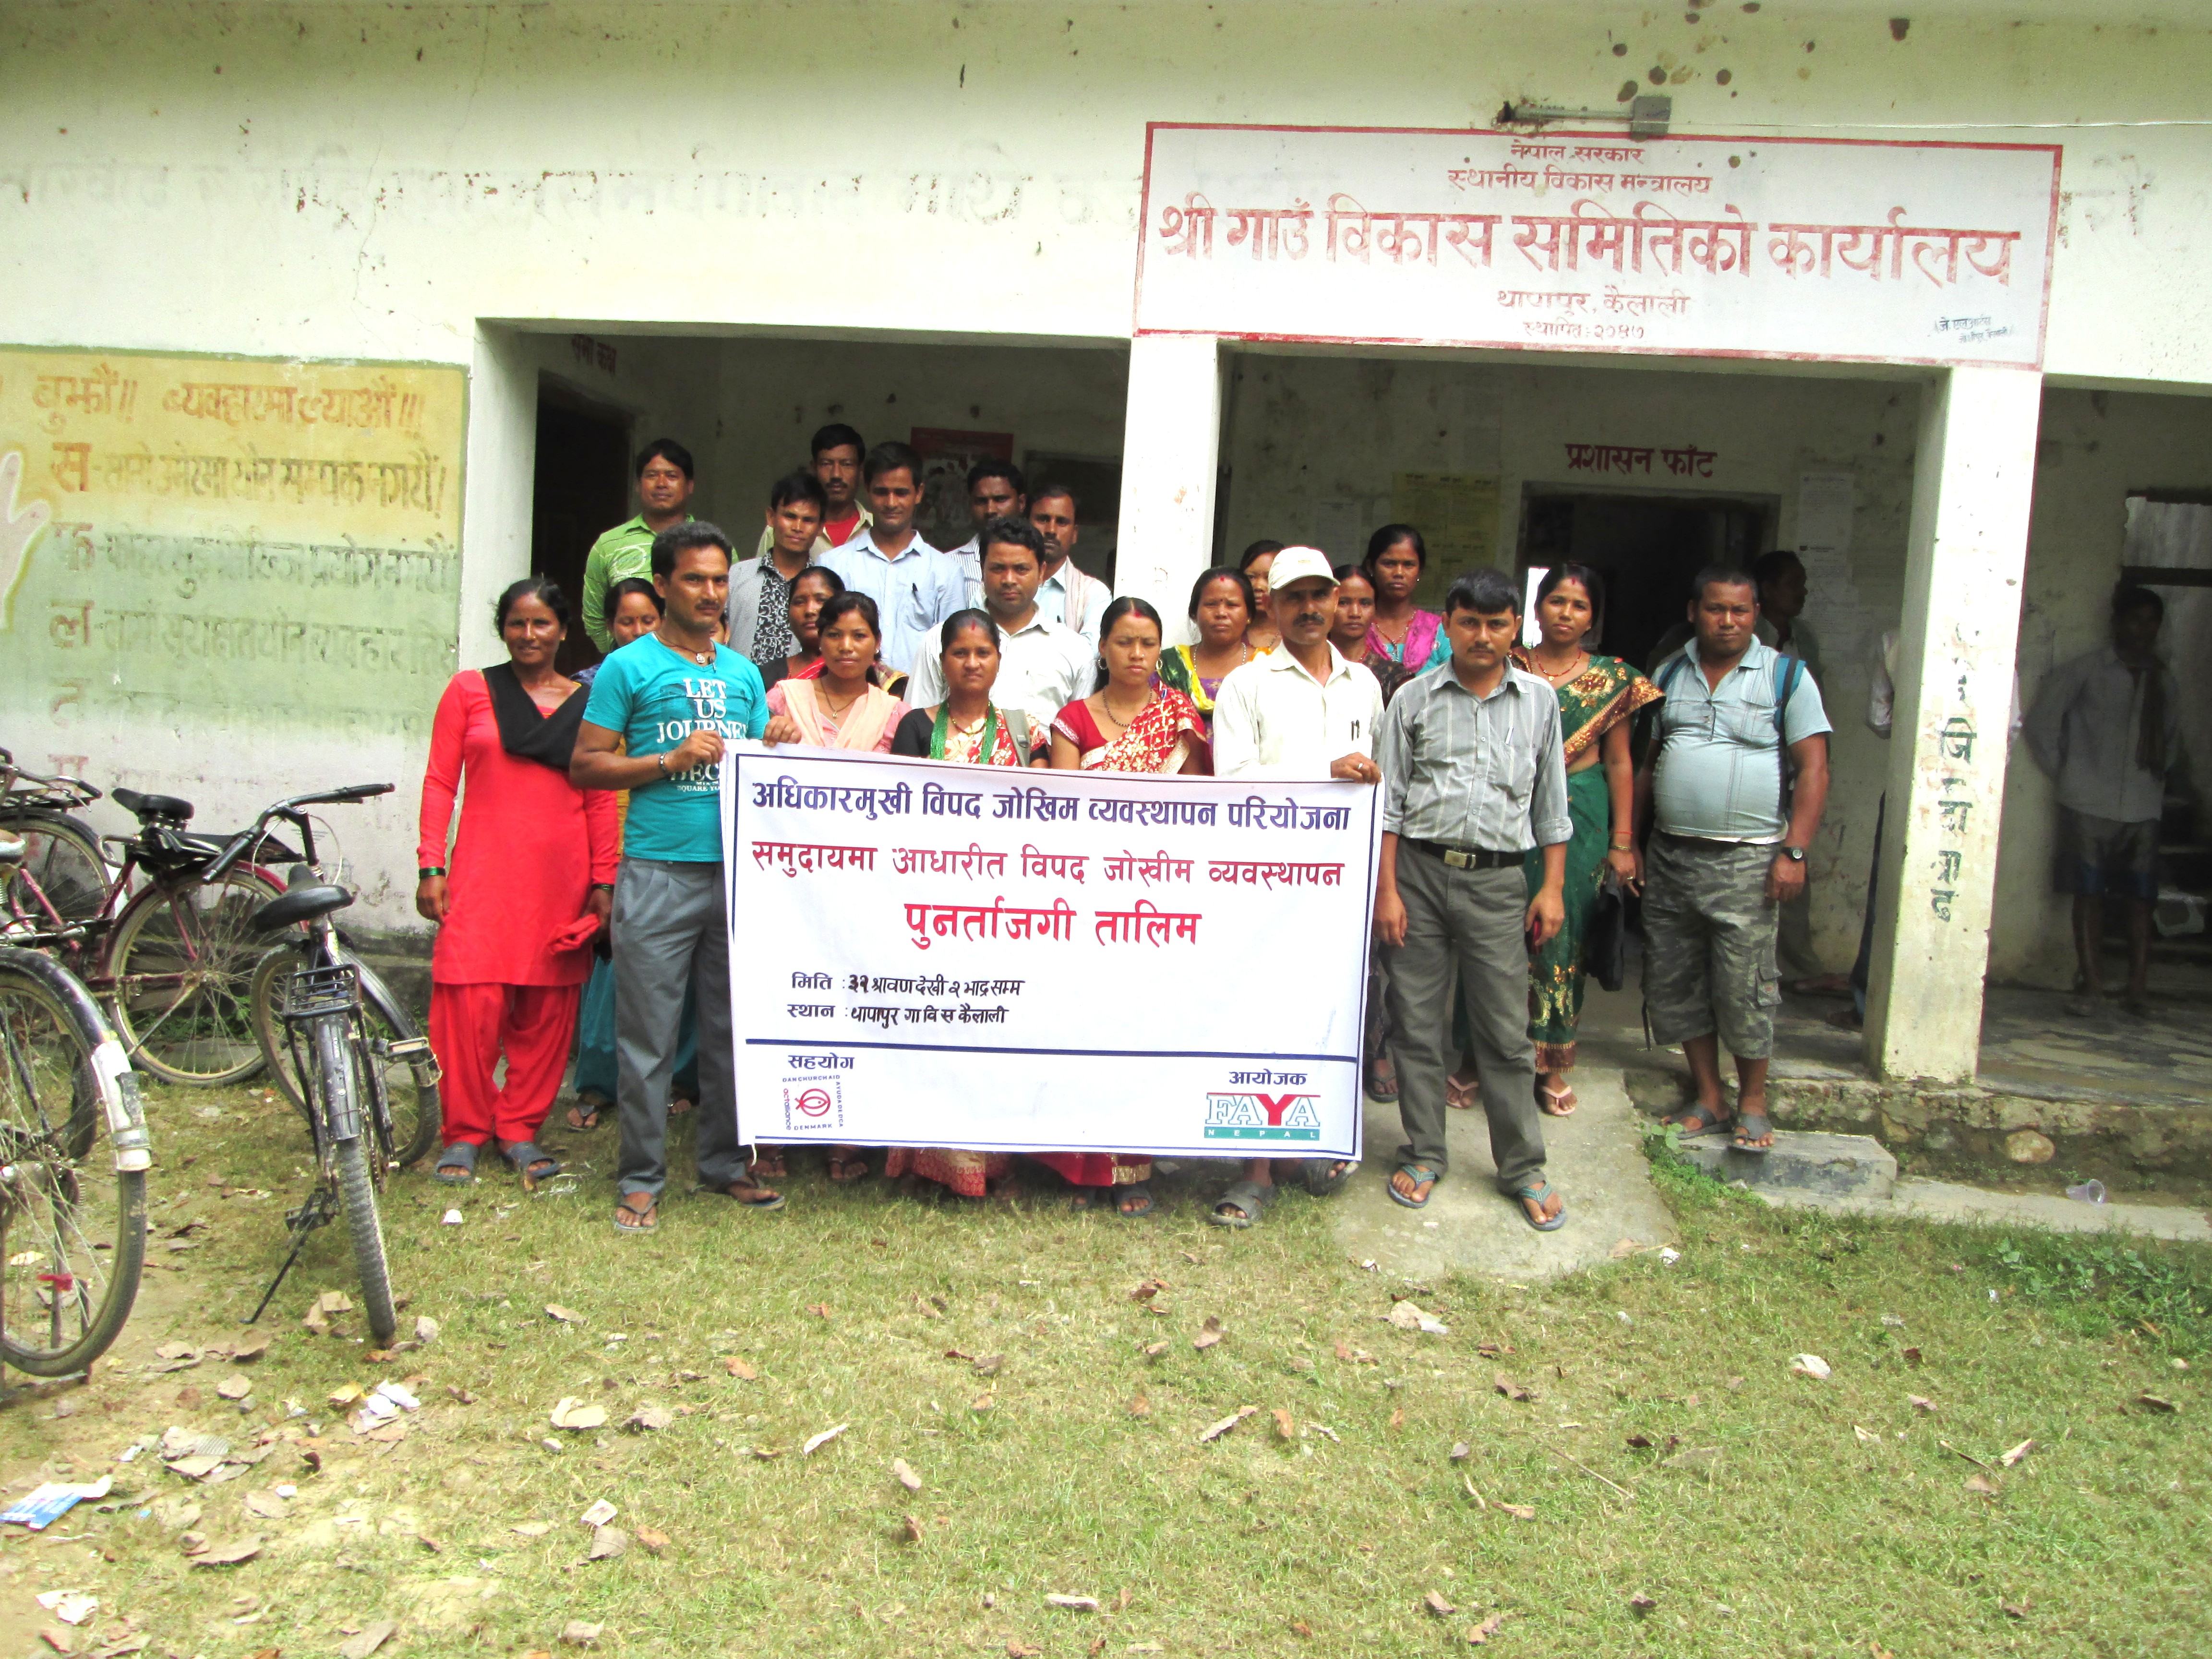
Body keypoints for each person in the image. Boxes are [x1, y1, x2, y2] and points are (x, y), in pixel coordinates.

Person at [573, 523, 783, 1233]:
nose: (711, 593)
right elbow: (587, 765)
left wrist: (777, 744)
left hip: (735, 877)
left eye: (721, 580)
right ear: (662, 585)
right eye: (695, 579)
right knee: (649, 1036)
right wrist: (667, 762)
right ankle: (640, 1178)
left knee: (731, 1032)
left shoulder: (745, 674)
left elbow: (756, 767)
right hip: (657, 872)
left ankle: (724, 1165)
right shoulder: (627, 668)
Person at [1373, 568, 1571, 1226]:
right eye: (1468, 623)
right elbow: (1391, 805)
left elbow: (1552, 805)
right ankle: (1425, 1151)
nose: (1482, 637)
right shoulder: (1415, 699)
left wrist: (1551, 887)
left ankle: (1522, 1168)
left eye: (1496, 625)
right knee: (1418, 1023)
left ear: (1516, 628)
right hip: (1420, 879)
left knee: (1505, 1033)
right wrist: (1388, 892)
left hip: (1498, 882)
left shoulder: (1540, 701)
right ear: (1449, 625)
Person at [418, 578, 617, 1186]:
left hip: (561, 880)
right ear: (502, 629)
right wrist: (432, 866)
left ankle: (520, 1130)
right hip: (482, 876)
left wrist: (604, 881)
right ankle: (464, 1133)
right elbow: (439, 783)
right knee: (469, 1007)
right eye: (516, 624)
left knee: (547, 1009)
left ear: (563, 630)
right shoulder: (471, 691)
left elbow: (601, 797)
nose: (529, 636)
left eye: (541, 625)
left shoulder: (590, 702)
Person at [1208, 547, 1381, 1226]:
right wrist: (1324, 769)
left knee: (1329, 1014)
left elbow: (1379, 780)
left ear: (1338, 602)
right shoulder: (1248, 685)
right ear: (1270, 608)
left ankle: (1310, 1144)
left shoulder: (1363, 683)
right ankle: (1254, 1169)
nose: (1310, 609)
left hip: (1341, 884)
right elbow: (1233, 781)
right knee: (1263, 1014)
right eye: (1294, 597)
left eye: (1321, 595)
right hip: (1268, 881)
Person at [1635, 565, 1833, 1157]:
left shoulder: (1786, 677)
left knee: (1744, 985)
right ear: (1695, 611)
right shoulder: (1668, 673)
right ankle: (1708, 1095)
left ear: (1756, 616)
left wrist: (1794, 851)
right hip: (1672, 854)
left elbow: (1814, 769)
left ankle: (1752, 1102)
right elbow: (1645, 763)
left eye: (1740, 611)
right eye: (1717, 609)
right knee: (1676, 978)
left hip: (1748, 860)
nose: (1728, 621)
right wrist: (1631, 843)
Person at [1041, 596, 1208, 1214]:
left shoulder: (1180, 718)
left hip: (1156, 895)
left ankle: (1132, 1169)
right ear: (1103, 648)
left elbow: (1196, 811)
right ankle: (1076, 1168)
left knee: (1140, 1026)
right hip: (1086, 894)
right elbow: (1064, 811)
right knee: (1080, 1025)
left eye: (1147, 644)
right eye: (1124, 643)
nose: (1137, 655)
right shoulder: (1074, 719)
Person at [878, 611, 1037, 1200]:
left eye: (983, 652)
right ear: (941, 661)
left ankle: (993, 1160)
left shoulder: (1026, 731)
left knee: (995, 1024)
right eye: (960, 653)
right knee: (937, 1020)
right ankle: (929, 1161)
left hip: (1004, 904)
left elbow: (1044, 811)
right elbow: (899, 806)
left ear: (1000, 659)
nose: (972, 663)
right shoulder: (916, 726)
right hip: (933, 901)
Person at [1511, 565, 1659, 1115]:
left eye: (1578, 605)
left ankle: (1550, 1064)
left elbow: (1622, 761)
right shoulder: (1508, 663)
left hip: (1580, 811)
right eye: (1556, 601)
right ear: (1538, 607)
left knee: (1562, 932)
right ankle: (1481, 1056)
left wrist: (1624, 841)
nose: (1565, 613)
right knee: (1496, 931)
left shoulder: (1614, 679)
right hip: (1511, 807)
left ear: (1593, 616)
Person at [568, 578, 699, 1131]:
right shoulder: (598, 685)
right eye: (628, 621)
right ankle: (599, 1083)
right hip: (618, 841)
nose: (639, 630)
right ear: (609, 627)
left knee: (684, 981)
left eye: (649, 620)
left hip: (677, 845)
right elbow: (588, 772)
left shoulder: (695, 680)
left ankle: (679, 1081)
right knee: (614, 972)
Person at [2025, 584, 2182, 1019]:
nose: (2143, 629)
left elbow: (2171, 741)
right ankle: (2092, 984)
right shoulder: (2086, 671)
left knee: (2141, 899)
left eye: (2152, 621)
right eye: (2136, 619)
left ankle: (2138, 987)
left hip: (2142, 804)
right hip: (2087, 801)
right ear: (2117, 622)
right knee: (2088, 894)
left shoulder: (2162, 679)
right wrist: (2071, 775)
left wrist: (2155, 777)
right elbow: (2041, 725)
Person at [1327, 563, 1416, 1102]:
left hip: (1367, 830)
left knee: (1374, 954)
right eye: (1346, 601)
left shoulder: (1391, 679)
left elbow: (1395, 763)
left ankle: (1376, 1049)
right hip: (1310, 832)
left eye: (1365, 602)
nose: (1354, 612)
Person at [902, 517, 1091, 751]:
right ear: (982, 570)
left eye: (1021, 569)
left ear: (1042, 572)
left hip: (1040, 782)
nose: (1009, 580)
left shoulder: (1074, 650)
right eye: (998, 568)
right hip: (953, 782)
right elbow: (918, 726)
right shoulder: (939, 641)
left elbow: (1080, 741)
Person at [819, 442, 967, 676]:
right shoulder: (832, 565)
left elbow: (956, 651)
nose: (891, 503)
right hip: (847, 701)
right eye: (881, 492)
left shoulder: (946, 573)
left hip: (919, 705)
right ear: (868, 490)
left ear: (919, 493)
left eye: (901, 493)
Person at [762, 590, 911, 756]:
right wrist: (775, 734)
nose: (846, 647)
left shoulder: (895, 714)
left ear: (877, 642)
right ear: (820, 640)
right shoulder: (786, 698)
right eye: (834, 635)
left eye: (859, 636)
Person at [581, 439, 695, 652]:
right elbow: (595, 619)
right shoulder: (608, 545)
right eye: (652, 475)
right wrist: (628, 656)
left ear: (690, 485)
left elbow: (726, 613)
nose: (661, 484)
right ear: (637, 484)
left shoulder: (710, 545)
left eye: (671, 476)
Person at [728, 470, 828, 664]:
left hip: (801, 693)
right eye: (790, 516)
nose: (798, 527)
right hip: (739, 691)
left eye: (808, 520)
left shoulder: (823, 589)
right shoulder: (736, 576)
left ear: (821, 527)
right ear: (771, 517)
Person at [1155, 566, 1262, 729]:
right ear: (1194, 614)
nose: (1221, 613)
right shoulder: (1168, 665)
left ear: (1249, 616)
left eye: (1232, 605)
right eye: (1211, 604)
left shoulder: (1266, 667)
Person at [752, 423, 871, 560]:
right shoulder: (779, 529)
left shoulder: (878, 529)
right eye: (826, 464)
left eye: (847, 464)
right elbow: (761, 577)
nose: (836, 475)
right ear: (813, 469)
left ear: (861, 471)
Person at [1029, 485, 1111, 642]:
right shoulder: (999, 585)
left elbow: (1089, 654)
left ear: (1075, 534)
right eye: (1043, 519)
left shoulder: (1094, 594)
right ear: (1026, 524)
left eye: (1061, 522)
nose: (1051, 530)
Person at [1328, 564, 1414, 706]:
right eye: (1343, 603)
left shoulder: (1394, 678)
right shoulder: (1309, 668)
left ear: (1375, 608)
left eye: (1365, 603)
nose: (1355, 613)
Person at [1362, 525, 1442, 669]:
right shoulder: (1355, 626)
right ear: (1371, 567)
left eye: (1409, 565)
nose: (1399, 573)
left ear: (1420, 571)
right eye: (1389, 563)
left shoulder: (1440, 631)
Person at [756, 565, 846, 690]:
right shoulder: (766, 676)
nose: (810, 610)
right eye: (799, 602)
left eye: (821, 600)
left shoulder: (861, 672)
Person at [948, 459, 1026, 597]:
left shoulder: (1037, 563)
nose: (990, 510)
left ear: (1021, 503)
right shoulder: (949, 566)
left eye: (1000, 499)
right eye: (981, 501)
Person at [1239, 540, 1286, 653]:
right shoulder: (1232, 634)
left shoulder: (1297, 636)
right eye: (1251, 577)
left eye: (1269, 577)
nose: (1259, 586)